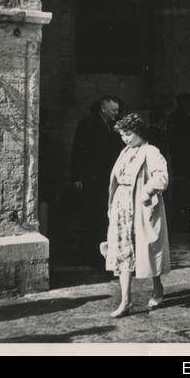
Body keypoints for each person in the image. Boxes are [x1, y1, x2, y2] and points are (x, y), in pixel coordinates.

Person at [105, 113, 171, 318]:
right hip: (121, 205)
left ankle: (157, 287)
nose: (125, 139)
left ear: (139, 133)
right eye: (122, 135)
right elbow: (116, 178)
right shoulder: (125, 152)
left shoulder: (150, 151)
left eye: (128, 134)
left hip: (140, 207)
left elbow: (161, 177)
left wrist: (147, 192)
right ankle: (126, 301)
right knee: (122, 250)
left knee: (147, 249)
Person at [70, 96, 124, 267]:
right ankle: (89, 254)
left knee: (102, 215)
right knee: (89, 215)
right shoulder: (88, 124)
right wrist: (77, 177)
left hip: (105, 179)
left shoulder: (112, 127)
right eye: (113, 110)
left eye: (117, 110)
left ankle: (101, 252)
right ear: (103, 109)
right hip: (90, 179)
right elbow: (78, 151)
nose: (116, 113)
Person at [165, 93, 190, 232]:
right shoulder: (181, 118)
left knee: (182, 192)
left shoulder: (178, 117)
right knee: (185, 192)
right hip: (185, 161)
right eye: (189, 103)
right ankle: (182, 223)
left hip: (181, 160)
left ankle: (181, 221)